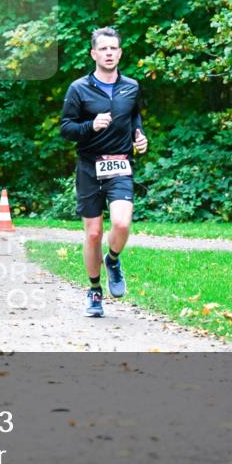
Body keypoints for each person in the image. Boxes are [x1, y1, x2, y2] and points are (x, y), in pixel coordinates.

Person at [60, 27, 148, 317]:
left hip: (121, 164)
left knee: (121, 225)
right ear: (93, 53)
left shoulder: (131, 87)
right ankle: (95, 290)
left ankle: (113, 260)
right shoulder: (79, 88)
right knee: (94, 233)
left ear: (120, 53)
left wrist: (140, 135)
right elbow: (66, 128)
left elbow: (134, 116)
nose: (109, 53)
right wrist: (90, 126)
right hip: (89, 166)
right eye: (104, 49)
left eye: (114, 49)